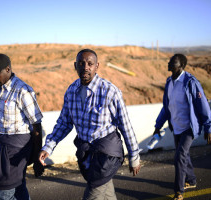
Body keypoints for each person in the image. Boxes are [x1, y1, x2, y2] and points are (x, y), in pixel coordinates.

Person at [39, 49, 141, 200]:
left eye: (90, 63)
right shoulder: (72, 91)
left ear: (96, 66)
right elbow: (64, 123)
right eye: (81, 63)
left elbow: (125, 126)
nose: (85, 67)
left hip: (107, 153)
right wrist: (48, 146)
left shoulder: (110, 92)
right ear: (75, 65)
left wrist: (134, 156)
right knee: (105, 192)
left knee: (93, 192)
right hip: (87, 154)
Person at [0, 53, 44, 200]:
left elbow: (37, 126)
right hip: (4, 148)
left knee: (4, 192)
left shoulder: (23, 91)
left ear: (8, 69)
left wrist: (36, 158)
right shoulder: (1, 87)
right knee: (18, 186)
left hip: (17, 150)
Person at [153, 54, 211, 200]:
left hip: (189, 127)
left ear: (181, 66)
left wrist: (209, 127)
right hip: (176, 126)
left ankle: (179, 191)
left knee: (179, 156)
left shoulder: (190, 83)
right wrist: (158, 125)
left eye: (173, 62)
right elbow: (166, 107)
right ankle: (191, 180)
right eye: (169, 61)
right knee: (184, 155)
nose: (169, 64)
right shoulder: (169, 82)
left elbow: (203, 105)